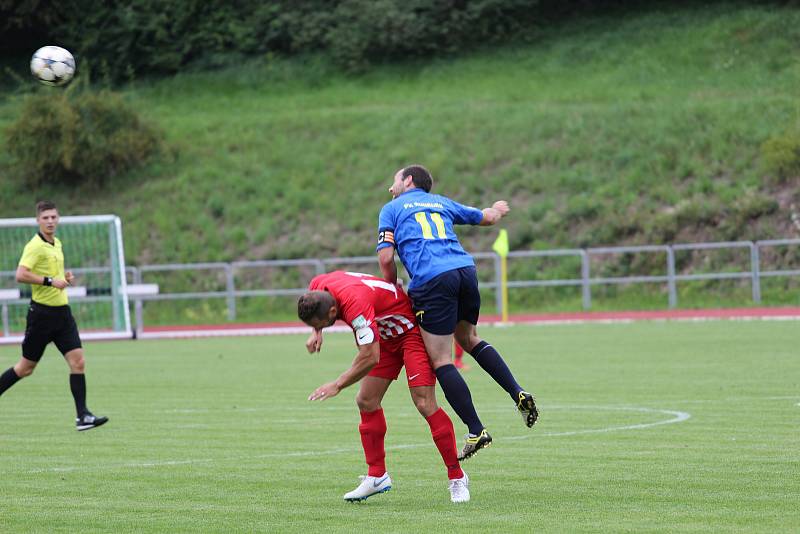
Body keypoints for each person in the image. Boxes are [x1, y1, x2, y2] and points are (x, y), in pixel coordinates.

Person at [376, 164, 538, 461]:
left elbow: (386, 257)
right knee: (470, 338)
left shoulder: (392, 209)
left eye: (394, 181)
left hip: (431, 280)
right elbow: (487, 218)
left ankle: (476, 430)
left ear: (408, 180)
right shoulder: (441, 202)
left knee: (441, 360)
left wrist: (391, 285)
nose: (390, 188)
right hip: (465, 271)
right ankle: (517, 392)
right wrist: (498, 209)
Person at [297, 270, 469, 503]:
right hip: (385, 335)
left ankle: (457, 477)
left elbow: (369, 357)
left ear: (333, 311)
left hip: (410, 334)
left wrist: (337, 384)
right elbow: (322, 312)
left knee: (424, 403)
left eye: (324, 323)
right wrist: (316, 330)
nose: (323, 326)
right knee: (366, 400)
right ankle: (377, 476)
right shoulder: (317, 287)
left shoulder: (355, 304)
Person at [0, 201, 108, 431]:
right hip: (41, 316)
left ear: (58, 219)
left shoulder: (56, 243)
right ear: (38, 220)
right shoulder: (34, 246)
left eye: (53, 217)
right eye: (45, 218)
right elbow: (21, 274)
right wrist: (50, 281)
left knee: (78, 361)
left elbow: (53, 274)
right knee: (25, 368)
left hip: (62, 314)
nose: (50, 221)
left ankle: (83, 417)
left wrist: (64, 277)